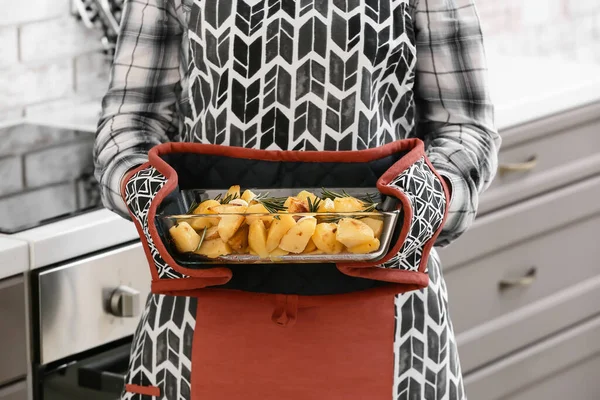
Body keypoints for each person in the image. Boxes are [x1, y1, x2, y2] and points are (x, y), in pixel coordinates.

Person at [94, 0, 500, 398]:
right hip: (203, 307)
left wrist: (423, 206)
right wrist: (149, 195)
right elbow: (129, 122)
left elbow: (465, 128)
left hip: (387, 313)